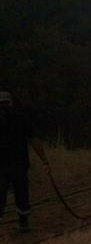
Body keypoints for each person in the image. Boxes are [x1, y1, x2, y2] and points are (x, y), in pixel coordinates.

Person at [0, 91, 50, 235]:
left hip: (4, 166)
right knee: (21, 194)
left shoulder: (20, 118)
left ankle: (21, 225)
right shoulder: (21, 118)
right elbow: (34, 140)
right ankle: (23, 224)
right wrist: (45, 161)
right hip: (19, 164)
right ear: (11, 102)